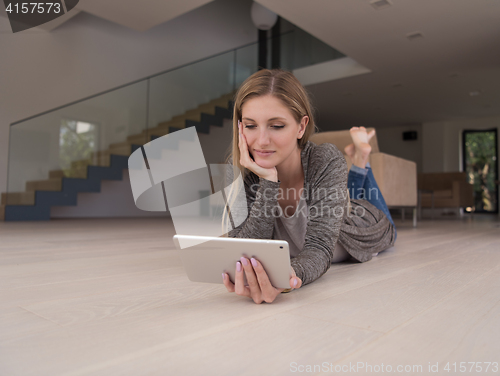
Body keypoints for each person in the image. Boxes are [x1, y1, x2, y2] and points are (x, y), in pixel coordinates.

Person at [221, 69, 396, 304]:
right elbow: (243, 251)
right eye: (251, 126)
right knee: (344, 200)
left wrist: (288, 277)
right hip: (336, 206)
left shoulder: (324, 158)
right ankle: (359, 160)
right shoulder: (240, 170)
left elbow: (320, 248)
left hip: (364, 224)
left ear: (301, 127)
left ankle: (362, 159)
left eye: (277, 126)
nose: (261, 141)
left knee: (375, 215)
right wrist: (268, 181)